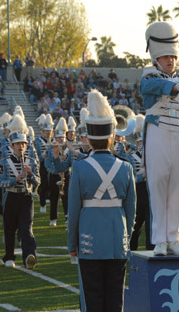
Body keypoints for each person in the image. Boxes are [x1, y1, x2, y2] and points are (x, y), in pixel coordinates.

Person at [68, 89, 136, 311]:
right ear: (113, 137)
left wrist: (72, 244)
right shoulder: (125, 167)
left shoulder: (79, 168)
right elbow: (131, 211)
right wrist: (127, 236)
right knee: (116, 299)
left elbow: (73, 211)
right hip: (118, 240)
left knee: (92, 299)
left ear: (88, 138)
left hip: (90, 242)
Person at [141, 21, 179, 256]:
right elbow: (151, 88)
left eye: (173, 57)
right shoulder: (149, 77)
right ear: (156, 59)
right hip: (157, 134)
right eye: (165, 57)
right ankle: (158, 240)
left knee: (178, 188)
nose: (170, 61)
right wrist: (178, 87)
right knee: (157, 185)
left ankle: (173, 238)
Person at [0, 115, 40, 269]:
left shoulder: (31, 161)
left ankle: (30, 255)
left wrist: (30, 175)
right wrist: (14, 180)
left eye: (23, 143)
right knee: (9, 228)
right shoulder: (4, 161)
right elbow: (1, 181)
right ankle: (9, 257)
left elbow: (38, 181)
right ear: (12, 145)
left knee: (26, 228)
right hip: (11, 195)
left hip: (26, 196)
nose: (21, 147)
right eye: (17, 144)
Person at [128, 115, 154, 251]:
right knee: (136, 224)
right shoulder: (131, 156)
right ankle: (132, 250)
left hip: (150, 191)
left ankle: (151, 250)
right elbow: (131, 175)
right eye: (139, 142)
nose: (141, 144)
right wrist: (142, 176)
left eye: (143, 141)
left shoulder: (153, 154)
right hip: (138, 190)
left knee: (150, 224)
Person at [35, 114, 53, 213]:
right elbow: (37, 155)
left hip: (51, 165)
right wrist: (43, 155)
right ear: (42, 131)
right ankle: (42, 204)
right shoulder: (38, 141)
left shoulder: (52, 141)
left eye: (50, 131)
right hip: (42, 164)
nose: (48, 133)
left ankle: (48, 198)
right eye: (47, 131)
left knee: (51, 183)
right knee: (43, 183)